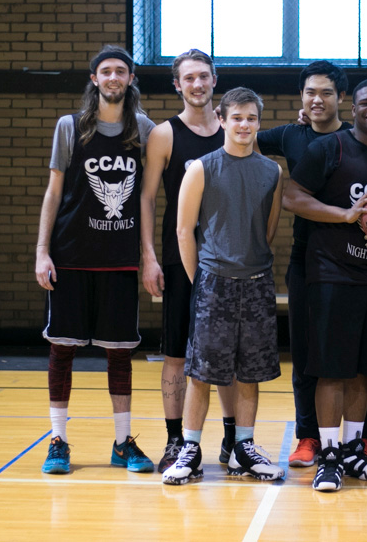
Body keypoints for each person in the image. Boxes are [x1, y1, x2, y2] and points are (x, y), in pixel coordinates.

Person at [284, 79, 367, 492]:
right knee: (331, 370)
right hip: (331, 275)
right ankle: (328, 455)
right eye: (364, 102)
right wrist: (344, 215)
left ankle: (355, 450)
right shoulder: (330, 148)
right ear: (353, 108)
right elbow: (291, 195)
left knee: (365, 371)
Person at [35, 45, 155, 474]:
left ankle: (123, 443)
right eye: (105, 71)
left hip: (120, 258)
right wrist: (41, 251)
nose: (113, 77)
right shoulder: (70, 127)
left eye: (120, 71)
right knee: (61, 350)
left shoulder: (144, 129)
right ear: (94, 79)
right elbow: (53, 192)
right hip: (70, 256)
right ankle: (58, 441)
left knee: (119, 353)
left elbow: (149, 195)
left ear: (131, 78)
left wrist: (148, 255)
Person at [255, 61, 367, 467]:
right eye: (310, 92)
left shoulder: (356, 138)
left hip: (357, 259)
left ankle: (362, 439)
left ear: (341, 98)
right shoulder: (291, 134)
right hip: (308, 257)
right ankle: (309, 435)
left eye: (326, 93)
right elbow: (243, 137)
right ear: (301, 97)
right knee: (308, 351)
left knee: (364, 356)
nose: (316, 99)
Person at [161, 87, 284, 485]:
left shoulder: (272, 172)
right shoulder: (200, 167)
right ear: (223, 119)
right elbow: (183, 230)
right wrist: (203, 282)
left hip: (257, 282)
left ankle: (244, 447)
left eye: (251, 118)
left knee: (249, 372)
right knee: (202, 373)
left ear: (258, 122)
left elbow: (268, 231)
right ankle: (190, 449)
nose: (244, 124)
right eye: (237, 118)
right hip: (214, 282)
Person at [140, 49, 236, 473]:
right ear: (177, 85)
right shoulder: (164, 135)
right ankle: (175, 441)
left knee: (228, 354)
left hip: (228, 260)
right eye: (189, 78)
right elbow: (145, 199)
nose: (197, 84)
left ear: (215, 80)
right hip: (180, 257)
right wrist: (148, 258)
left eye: (204, 76)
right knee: (176, 354)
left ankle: (233, 440)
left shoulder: (233, 130)